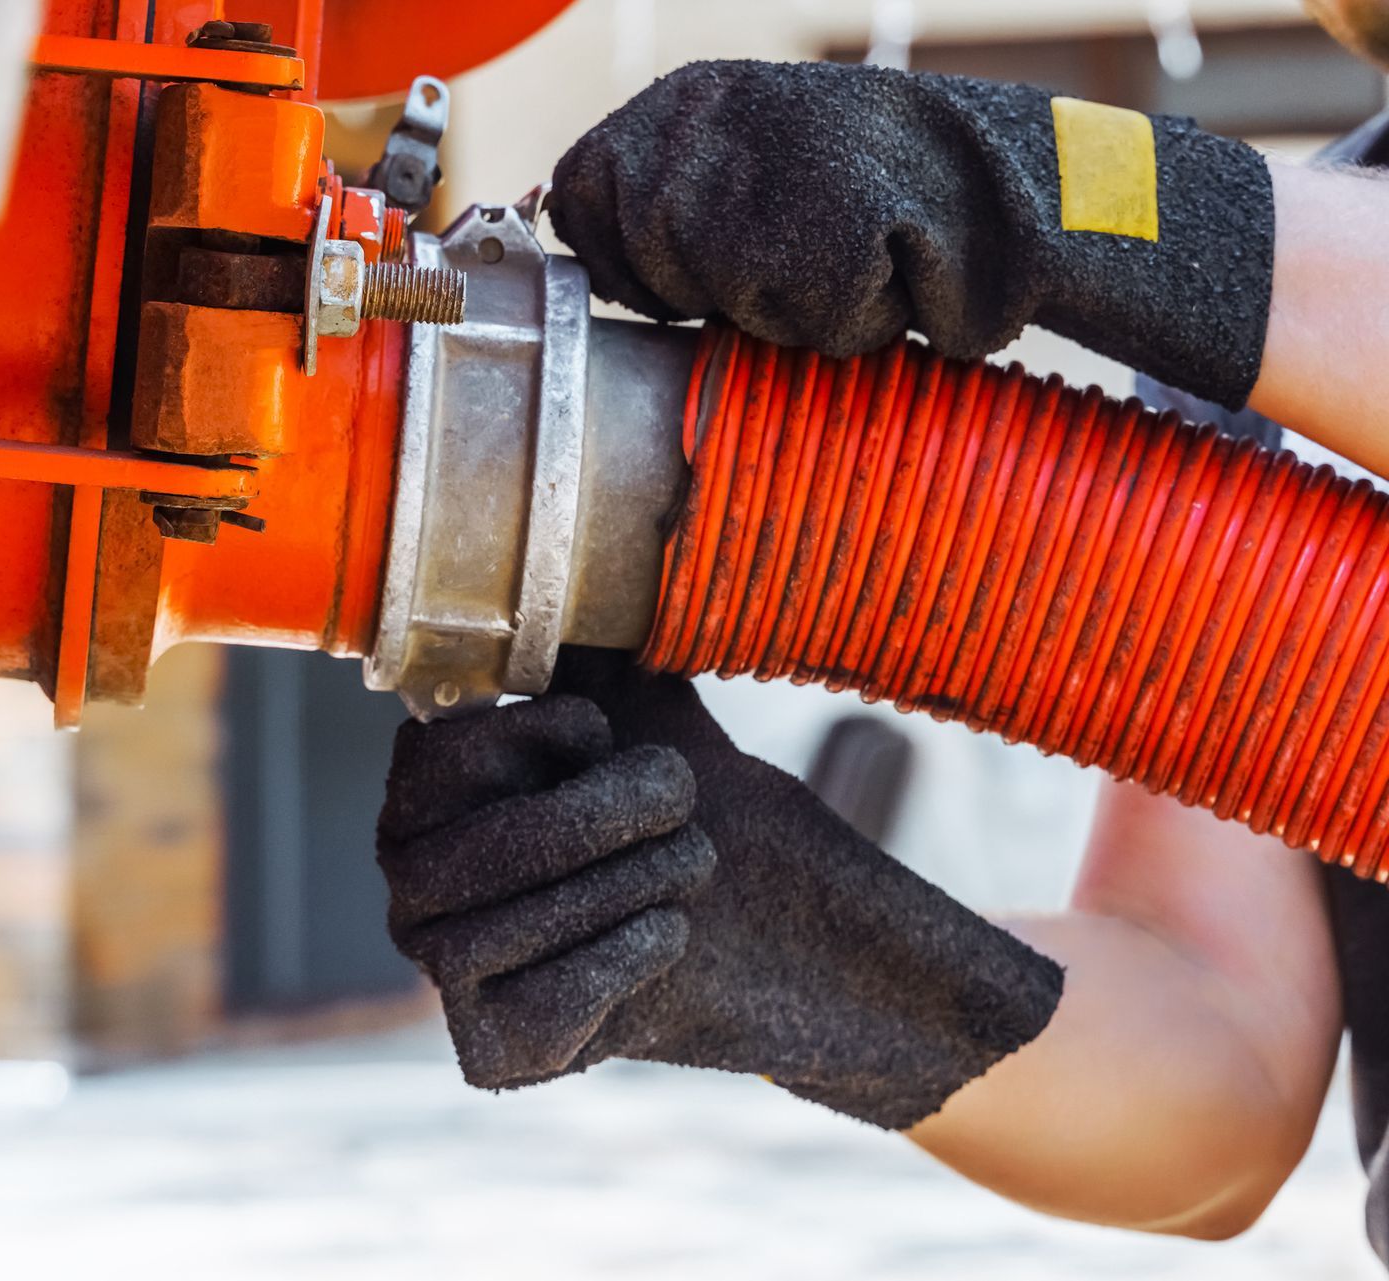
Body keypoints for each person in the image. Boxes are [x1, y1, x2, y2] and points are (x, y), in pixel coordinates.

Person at [372, 5, 1389, 1261]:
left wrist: (1057, 189)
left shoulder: (1274, 286)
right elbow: (1219, 1072)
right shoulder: (1276, 366)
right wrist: (788, 940)